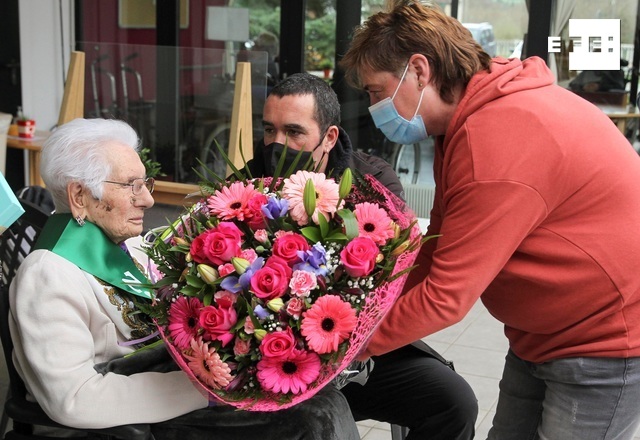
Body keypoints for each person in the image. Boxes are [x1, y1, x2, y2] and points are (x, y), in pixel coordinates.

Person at [340, 2, 640, 439]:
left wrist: (342, 348)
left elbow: (447, 296)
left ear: (419, 71)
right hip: (540, 335)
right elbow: (437, 248)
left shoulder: (497, 137)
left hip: (603, 343)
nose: (373, 106)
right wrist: (362, 309)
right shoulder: (466, 122)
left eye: (375, 90)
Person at [8, 117, 359, 440]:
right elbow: (74, 398)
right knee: (311, 419)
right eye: (131, 186)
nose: (147, 199)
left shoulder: (127, 247)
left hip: (167, 394)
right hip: (129, 422)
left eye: (145, 183)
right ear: (79, 196)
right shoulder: (46, 275)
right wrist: (206, 390)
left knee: (317, 397)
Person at [241, 72, 479, 440]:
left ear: (329, 137)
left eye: (293, 132)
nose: (277, 143)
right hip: (274, 358)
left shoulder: (374, 184)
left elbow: (398, 275)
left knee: (452, 401)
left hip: (361, 351)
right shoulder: (247, 184)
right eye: (269, 130)